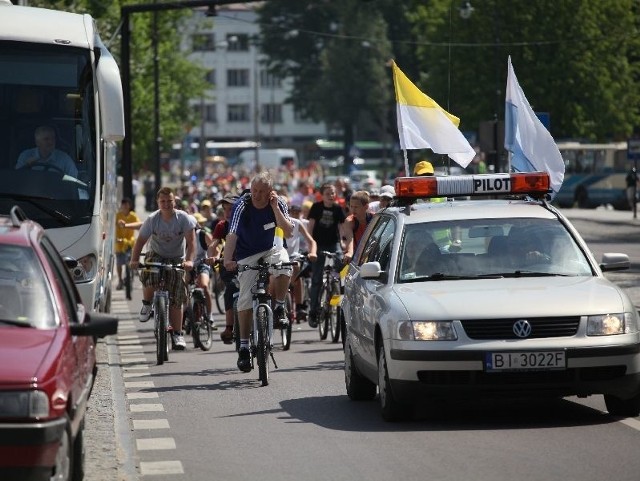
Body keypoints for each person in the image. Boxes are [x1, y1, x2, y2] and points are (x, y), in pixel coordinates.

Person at [223, 172, 294, 372]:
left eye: (262, 192)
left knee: (284, 266)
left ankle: (279, 306)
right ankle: (244, 347)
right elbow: (232, 234)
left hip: (271, 248)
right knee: (245, 300)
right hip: (246, 253)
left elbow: (288, 231)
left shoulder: (278, 203)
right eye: (254, 190)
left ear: (270, 192)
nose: (256, 195)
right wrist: (229, 260)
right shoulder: (242, 205)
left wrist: (274, 208)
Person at [129, 187, 197, 351]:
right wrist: (134, 260)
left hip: (176, 258)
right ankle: (147, 304)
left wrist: (189, 261)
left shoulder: (183, 219)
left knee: (177, 296)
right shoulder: (152, 219)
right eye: (163, 201)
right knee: (149, 276)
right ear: (158, 202)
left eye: (169, 201)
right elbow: (139, 242)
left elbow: (192, 243)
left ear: (175, 202)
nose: (166, 204)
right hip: (156, 255)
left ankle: (177, 334)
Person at [306, 182, 348, 327]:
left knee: (340, 263)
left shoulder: (338, 209)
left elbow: (342, 227)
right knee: (317, 278)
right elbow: (310, 226)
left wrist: (343, 243)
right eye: (328, 193)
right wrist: (310, 243)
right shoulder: (316, 207)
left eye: (333, 193)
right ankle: (313, 311)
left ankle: (337, 295)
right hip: (318, 244)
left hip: (333, 243)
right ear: (322, 195)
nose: (331, 196)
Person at [206, 193, 240, 344]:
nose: (227, 212)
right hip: (229, 263)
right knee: (231, 288)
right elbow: (214, 243)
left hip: (247, 262)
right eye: (225, 209)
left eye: (231, 209)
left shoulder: (245, 222)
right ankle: (229, 327)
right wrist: (211, 255)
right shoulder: (221, 225)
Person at [286, 204, 318, 321]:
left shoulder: (297, 223)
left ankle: (299, 306)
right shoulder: (272, 222)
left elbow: (311, 241)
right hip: (277, 257)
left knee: (297, 268)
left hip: (293, 256)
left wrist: (313, 252)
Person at [191, 212, 216, 328]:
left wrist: (213, 258)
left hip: (202, 264)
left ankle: (209, 315)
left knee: (204, 286)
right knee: (182, 290)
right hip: (187, 266)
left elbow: (214, 246)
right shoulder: (180, 236)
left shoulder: (202, 234)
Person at [115, 198, 140, 292]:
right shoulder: (118, 215)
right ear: (121, 206)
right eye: (123, 205)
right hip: (119, 243)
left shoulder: (133, 216)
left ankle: (132, 272)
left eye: (126, 205)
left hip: (130, 242)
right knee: (119, 263)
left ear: (129, 206)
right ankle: (120, 280)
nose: (125, 207)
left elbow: (138, 224)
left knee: (131, 259)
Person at [342, 190, 373, 260]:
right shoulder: (349, 221)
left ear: (366, 207)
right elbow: (350, 240)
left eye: (356, 207)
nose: (353, 210)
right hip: (355, 258)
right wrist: (350, 252)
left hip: (371, 256)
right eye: (351, 206)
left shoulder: (374, 218)